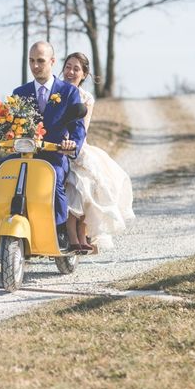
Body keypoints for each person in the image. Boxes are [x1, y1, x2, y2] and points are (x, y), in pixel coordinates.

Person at [0, 41, 86, 250]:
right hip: (23, 157)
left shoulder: (68, 92)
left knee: (54, 178)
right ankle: (2, 218)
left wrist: (71, 143)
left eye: (40, 61)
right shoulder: (20, 92)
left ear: (52, 61)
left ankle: (60, 229)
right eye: (31, 61)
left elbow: (78, 127)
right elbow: (3, 120)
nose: (35, 66)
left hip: (54, 156)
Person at [61, 52, 135, 251]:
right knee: (74, 182)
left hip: (76, 144)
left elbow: (82, 127)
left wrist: (72, 145)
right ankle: (70, 231)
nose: (70, 72)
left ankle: (83, 231)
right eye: (68, 66)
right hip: (55, 144)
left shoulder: (86, 98)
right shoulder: (55, 91)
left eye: (76, 69)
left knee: (90, 180)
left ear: (84, 74)